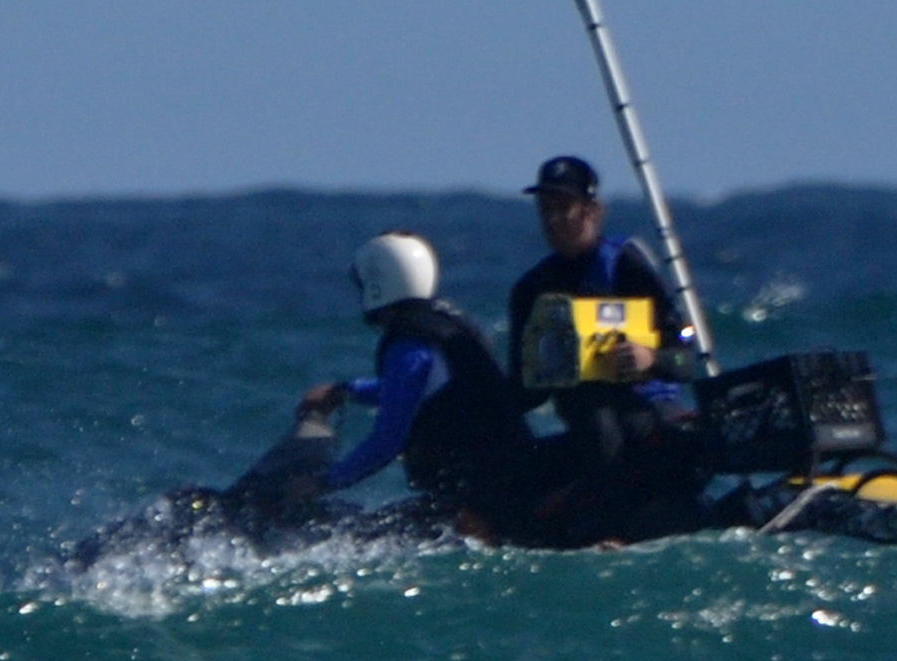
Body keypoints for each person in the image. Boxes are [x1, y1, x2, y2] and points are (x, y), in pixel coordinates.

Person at [506, 155, 705, 545]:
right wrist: (544, 369)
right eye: (546, 209)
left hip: (647, 413)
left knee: (607, 419)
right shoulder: (532, 289)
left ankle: (618, 528)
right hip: (585, 425)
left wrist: (651, 359)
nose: (554, 220)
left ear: (592, 210)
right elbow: (521, 393)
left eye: (564, 208)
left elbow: (685, 355)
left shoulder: (626, 265)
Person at [292, 232, 535, 538]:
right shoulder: (451, 325)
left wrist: (323, 482)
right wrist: (346, 391)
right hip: (510, 481)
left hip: (476, 501)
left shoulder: (408, 345)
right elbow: (412, 391)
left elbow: (387, 442)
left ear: (377, 286)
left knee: (348, 536)